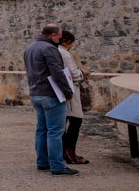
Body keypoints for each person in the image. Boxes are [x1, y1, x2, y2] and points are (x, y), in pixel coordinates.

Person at [23, 23, 78, 176]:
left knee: (42, 130)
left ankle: (42, 162)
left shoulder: (30, 48)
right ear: (52, 35)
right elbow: (57, 73)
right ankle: (57, 166)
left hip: (36, 93)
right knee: (55, 132)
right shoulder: (49, 49)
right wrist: (68, 92)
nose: (59, 40)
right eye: (59, 37)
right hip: (51, 95)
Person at [58, 31, 90, 165]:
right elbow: (73, 73)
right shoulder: (64, 54)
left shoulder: (56, 51)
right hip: (69, 90)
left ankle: (63, 152)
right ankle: (69, 152)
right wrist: (83, 72)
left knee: (62, 123)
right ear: (66, 41)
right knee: (75, 120)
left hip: (61, 91)